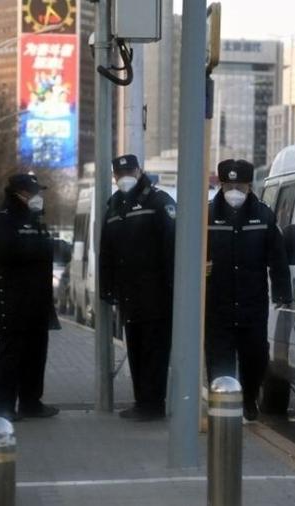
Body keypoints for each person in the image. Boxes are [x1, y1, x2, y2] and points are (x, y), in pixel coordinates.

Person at [205, 159, 292, 421]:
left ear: (249, 186)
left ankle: (250, 397)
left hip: (251, 302)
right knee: (219, 358)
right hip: (216, 302)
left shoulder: (263, 216)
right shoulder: (207, 215)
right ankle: (222, 404)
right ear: (221, 185)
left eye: (239, 186)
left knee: (255, 356)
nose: (234, 191)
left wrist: (281, 292)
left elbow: (278, 258)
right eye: (228, 185)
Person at [99, 154, 176, 421]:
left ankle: (153, 404)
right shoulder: (114, 206)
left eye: (129, 172)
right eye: (119, 174)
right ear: (114, 177)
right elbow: (106, 252)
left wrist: (173, 289)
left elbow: (172, 247)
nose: (124, 178)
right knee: (135, 349)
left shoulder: (158, 202)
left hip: (157, 294)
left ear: (140, 170)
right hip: (129, 295)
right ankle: (141, 401)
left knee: (154, 351)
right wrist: (106, 287)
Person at [0, 172, 60, 420]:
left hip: (37, 300)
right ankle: (3, 406)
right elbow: (9, 252)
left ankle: (31, 402)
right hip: (13, 300)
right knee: (11, 354)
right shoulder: (4, 219)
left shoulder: (35, 218)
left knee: (36, 354)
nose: (39, 197)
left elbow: (45, 250)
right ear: (22, 193)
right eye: (35, 192)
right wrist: (42, 248)